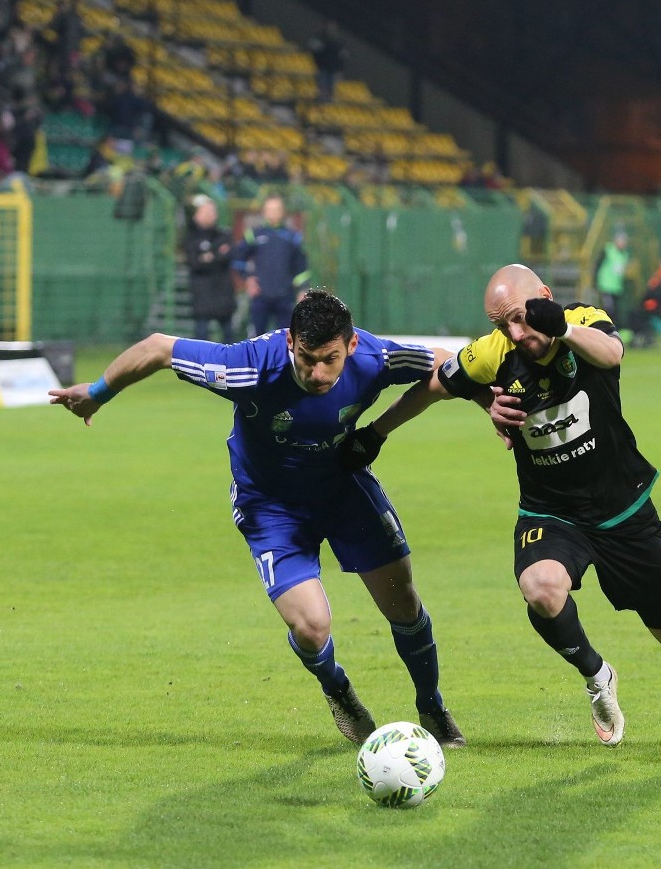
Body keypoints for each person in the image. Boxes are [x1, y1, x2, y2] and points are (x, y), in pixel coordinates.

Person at [341, 263, 661, 753]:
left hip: (624, 511)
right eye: (502, 325)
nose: (515, 334)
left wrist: (562, 326)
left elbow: (612, 353)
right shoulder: (493, 353)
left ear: (544, 297)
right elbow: (437, 384)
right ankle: (597, 675)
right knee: (541, 589)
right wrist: (378, 433)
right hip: (552, 513)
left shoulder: (583, 322)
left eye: (522, 319)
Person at [48, 288, 465, 749]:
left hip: (343, 488)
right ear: (290, 342)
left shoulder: (375, 355)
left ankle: (432, 706)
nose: (317, 373)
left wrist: (474, 411)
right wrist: (98, 393)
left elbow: (452, 369)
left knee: (402, 603)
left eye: (329, 359)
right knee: (310, 626)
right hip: (270, 506)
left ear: (350, 346)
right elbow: (159, 348)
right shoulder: (248, 366)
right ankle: (338, 689)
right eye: (306, 358)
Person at [231, 194, 310, 336]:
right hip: (261, 296)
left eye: (277, 209)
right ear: (264, 212)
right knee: (257, 338)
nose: (273, 213)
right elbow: (238, 258)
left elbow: (301, 267)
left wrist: (302, 289)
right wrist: (248, 279)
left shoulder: (293, 237)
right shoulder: (254, 234)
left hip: (285, 297)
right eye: (270, 209)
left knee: (287, 338)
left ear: (283, 211)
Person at [183, 195, 236, 343]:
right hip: (202, 294)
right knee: (201, 337)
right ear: (196, 215)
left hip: (223, 293)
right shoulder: (190, 237)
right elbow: (195, 263)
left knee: (229, 337)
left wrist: (208, 256)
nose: (210, 215)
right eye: (205, 212)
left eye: (212, 211)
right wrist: (217, 253)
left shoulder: (224, 234)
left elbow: (229, 254)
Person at [592, 229, 629, 325]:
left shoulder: (624, 254)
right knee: (608, 309)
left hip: (616, 287)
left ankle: (614, 330)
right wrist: (595, 282)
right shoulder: (607, 250)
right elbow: (597, 265)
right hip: (605, 285)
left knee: (616, 311)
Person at [308, 20, 347, 103]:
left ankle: (328, 103)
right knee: (322, 87)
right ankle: (321, 102)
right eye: (329, 26)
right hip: (322, 68)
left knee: (331, 89)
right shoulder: (320, 38)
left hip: (333, 70)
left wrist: (340, 70)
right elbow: (314, 51)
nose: (330, 28)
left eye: (332, 27)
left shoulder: (339, 42)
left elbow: (342, 57)